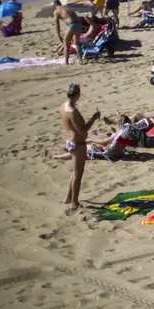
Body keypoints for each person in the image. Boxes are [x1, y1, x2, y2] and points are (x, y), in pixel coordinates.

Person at [57, 83, 99, 213]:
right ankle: (74, 202)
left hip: (71, 142)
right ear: (77, 94)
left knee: (75, 173)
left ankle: (69, 198)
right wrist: (93, 118)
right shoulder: (73, 111)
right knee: (78, 174)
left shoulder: (63, 106)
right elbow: (82, 130)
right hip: (77, 144)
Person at [53, 0, 83, 64]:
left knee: (66, 43)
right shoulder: (67, 8)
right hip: (79, 24)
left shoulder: (56, 11)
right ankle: (81, 59)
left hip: (72, 25)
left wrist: (58, 35)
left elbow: (57, 25)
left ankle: (66, 62)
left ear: (54, 5)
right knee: (77, 42)